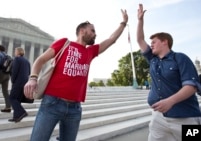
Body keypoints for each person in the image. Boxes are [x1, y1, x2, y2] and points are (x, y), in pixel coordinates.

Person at [23, 9, 128, 141]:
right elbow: (41, 60)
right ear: (82, 31)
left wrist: (123, 23)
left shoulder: (90, 52)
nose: (95, 34)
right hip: (52, 104)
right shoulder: (64, 43)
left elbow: (111, 40)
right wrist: (33, 79)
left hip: (74, 109)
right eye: (93, 30)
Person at [136, 4, 201, 141]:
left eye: (154, 42)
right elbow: (139, 40)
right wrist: (140, 21)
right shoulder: (153, 60)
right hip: (159, 118)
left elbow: (191, 86)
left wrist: (170, 101)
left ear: (165, 42)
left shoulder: (180, 58)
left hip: (186, 118)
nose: (151, 44)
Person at [8, 47, 30, 122]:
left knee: (12, 98)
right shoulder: (27, 61)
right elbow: (29, 72)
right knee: (17, 99)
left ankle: (22, 112)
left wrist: (13, 80)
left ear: (18, 52)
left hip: (18, 82)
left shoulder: (17, 59)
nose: (15, 52)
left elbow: (14, 72)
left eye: (15, 51)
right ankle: (16, 117)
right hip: (25, 82)